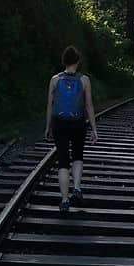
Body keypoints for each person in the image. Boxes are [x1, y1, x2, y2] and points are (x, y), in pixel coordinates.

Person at [45, 45, 98, 213]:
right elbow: (88, 105)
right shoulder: (84, 80)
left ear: (64, 61)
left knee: (62, 160)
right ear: (78, 61)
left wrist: (48, 126)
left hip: (59, 122)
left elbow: (49, 106)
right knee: (77, 155)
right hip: (78, 123)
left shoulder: (54, 80)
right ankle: (76, 188)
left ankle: (65, 200)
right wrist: (94, 128)